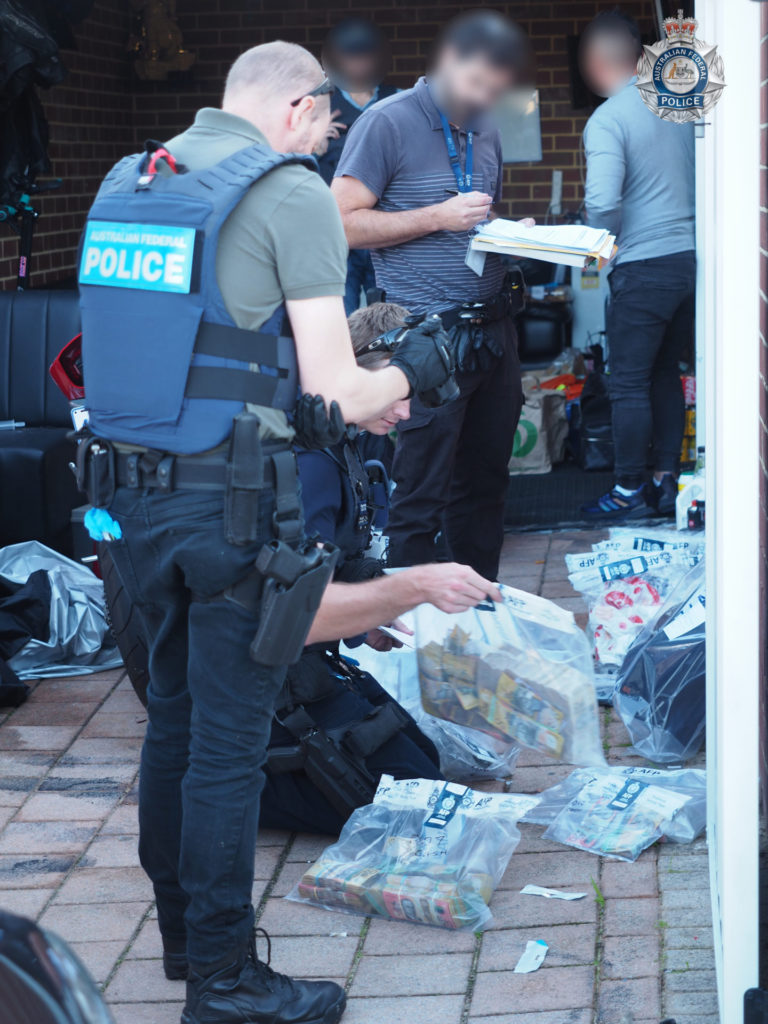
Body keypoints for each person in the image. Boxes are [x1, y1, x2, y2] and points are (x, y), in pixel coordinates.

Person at [77, 41, 457, 1024]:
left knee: (174, 720)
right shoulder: (287, 194)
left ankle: (181, 942)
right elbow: (336, 382)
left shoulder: (134, 180)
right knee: (228, 748)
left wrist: (332, 403)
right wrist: (418, 374)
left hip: (126, 508)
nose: (328, 150)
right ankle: (228, 983)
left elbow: (204, 344)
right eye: (329, 128)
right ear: (297, 108)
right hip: (226, 508)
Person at [261, 302, 501, 836]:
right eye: (397, 393)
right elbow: (289, 611)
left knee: (422, 768)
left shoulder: (338, 443)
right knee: (403, 803)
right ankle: (226, 777)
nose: (406, 413)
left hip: (305, 660)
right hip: (267, 679)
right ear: (352, 376)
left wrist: (366, 608)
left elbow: (327, 570)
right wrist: (405, 590)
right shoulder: (306, 465)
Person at [332, 10, 533, 581]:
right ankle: (413, 638)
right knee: (418, 497)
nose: (483, 100)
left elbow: (477, 225)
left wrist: (523, 238)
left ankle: (474, 622)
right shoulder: (386, 123)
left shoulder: (486, 125)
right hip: (425, 338)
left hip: (494, 330)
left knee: (486, 490)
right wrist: (436, 217)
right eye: (475, 86)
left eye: (495, 91)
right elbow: (340, 223)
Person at [579, 11, 696, 521]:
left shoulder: (608, 118)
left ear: (598, 62)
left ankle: (628, 493)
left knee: (627, 381)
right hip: (691, 262)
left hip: (643, 264)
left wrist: (595, 236)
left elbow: (603, 202)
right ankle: (666, 483)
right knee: (665, 375)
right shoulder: (679, 106)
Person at [315, 18, 398, 313]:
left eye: (366, 57)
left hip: (384, 232)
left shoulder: (398, 101)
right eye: (352, 57)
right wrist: (314, 146)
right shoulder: (321, 104)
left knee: (388, 320)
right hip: (336, 237)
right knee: (342, 317)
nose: (359, 65)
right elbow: (294, 165)